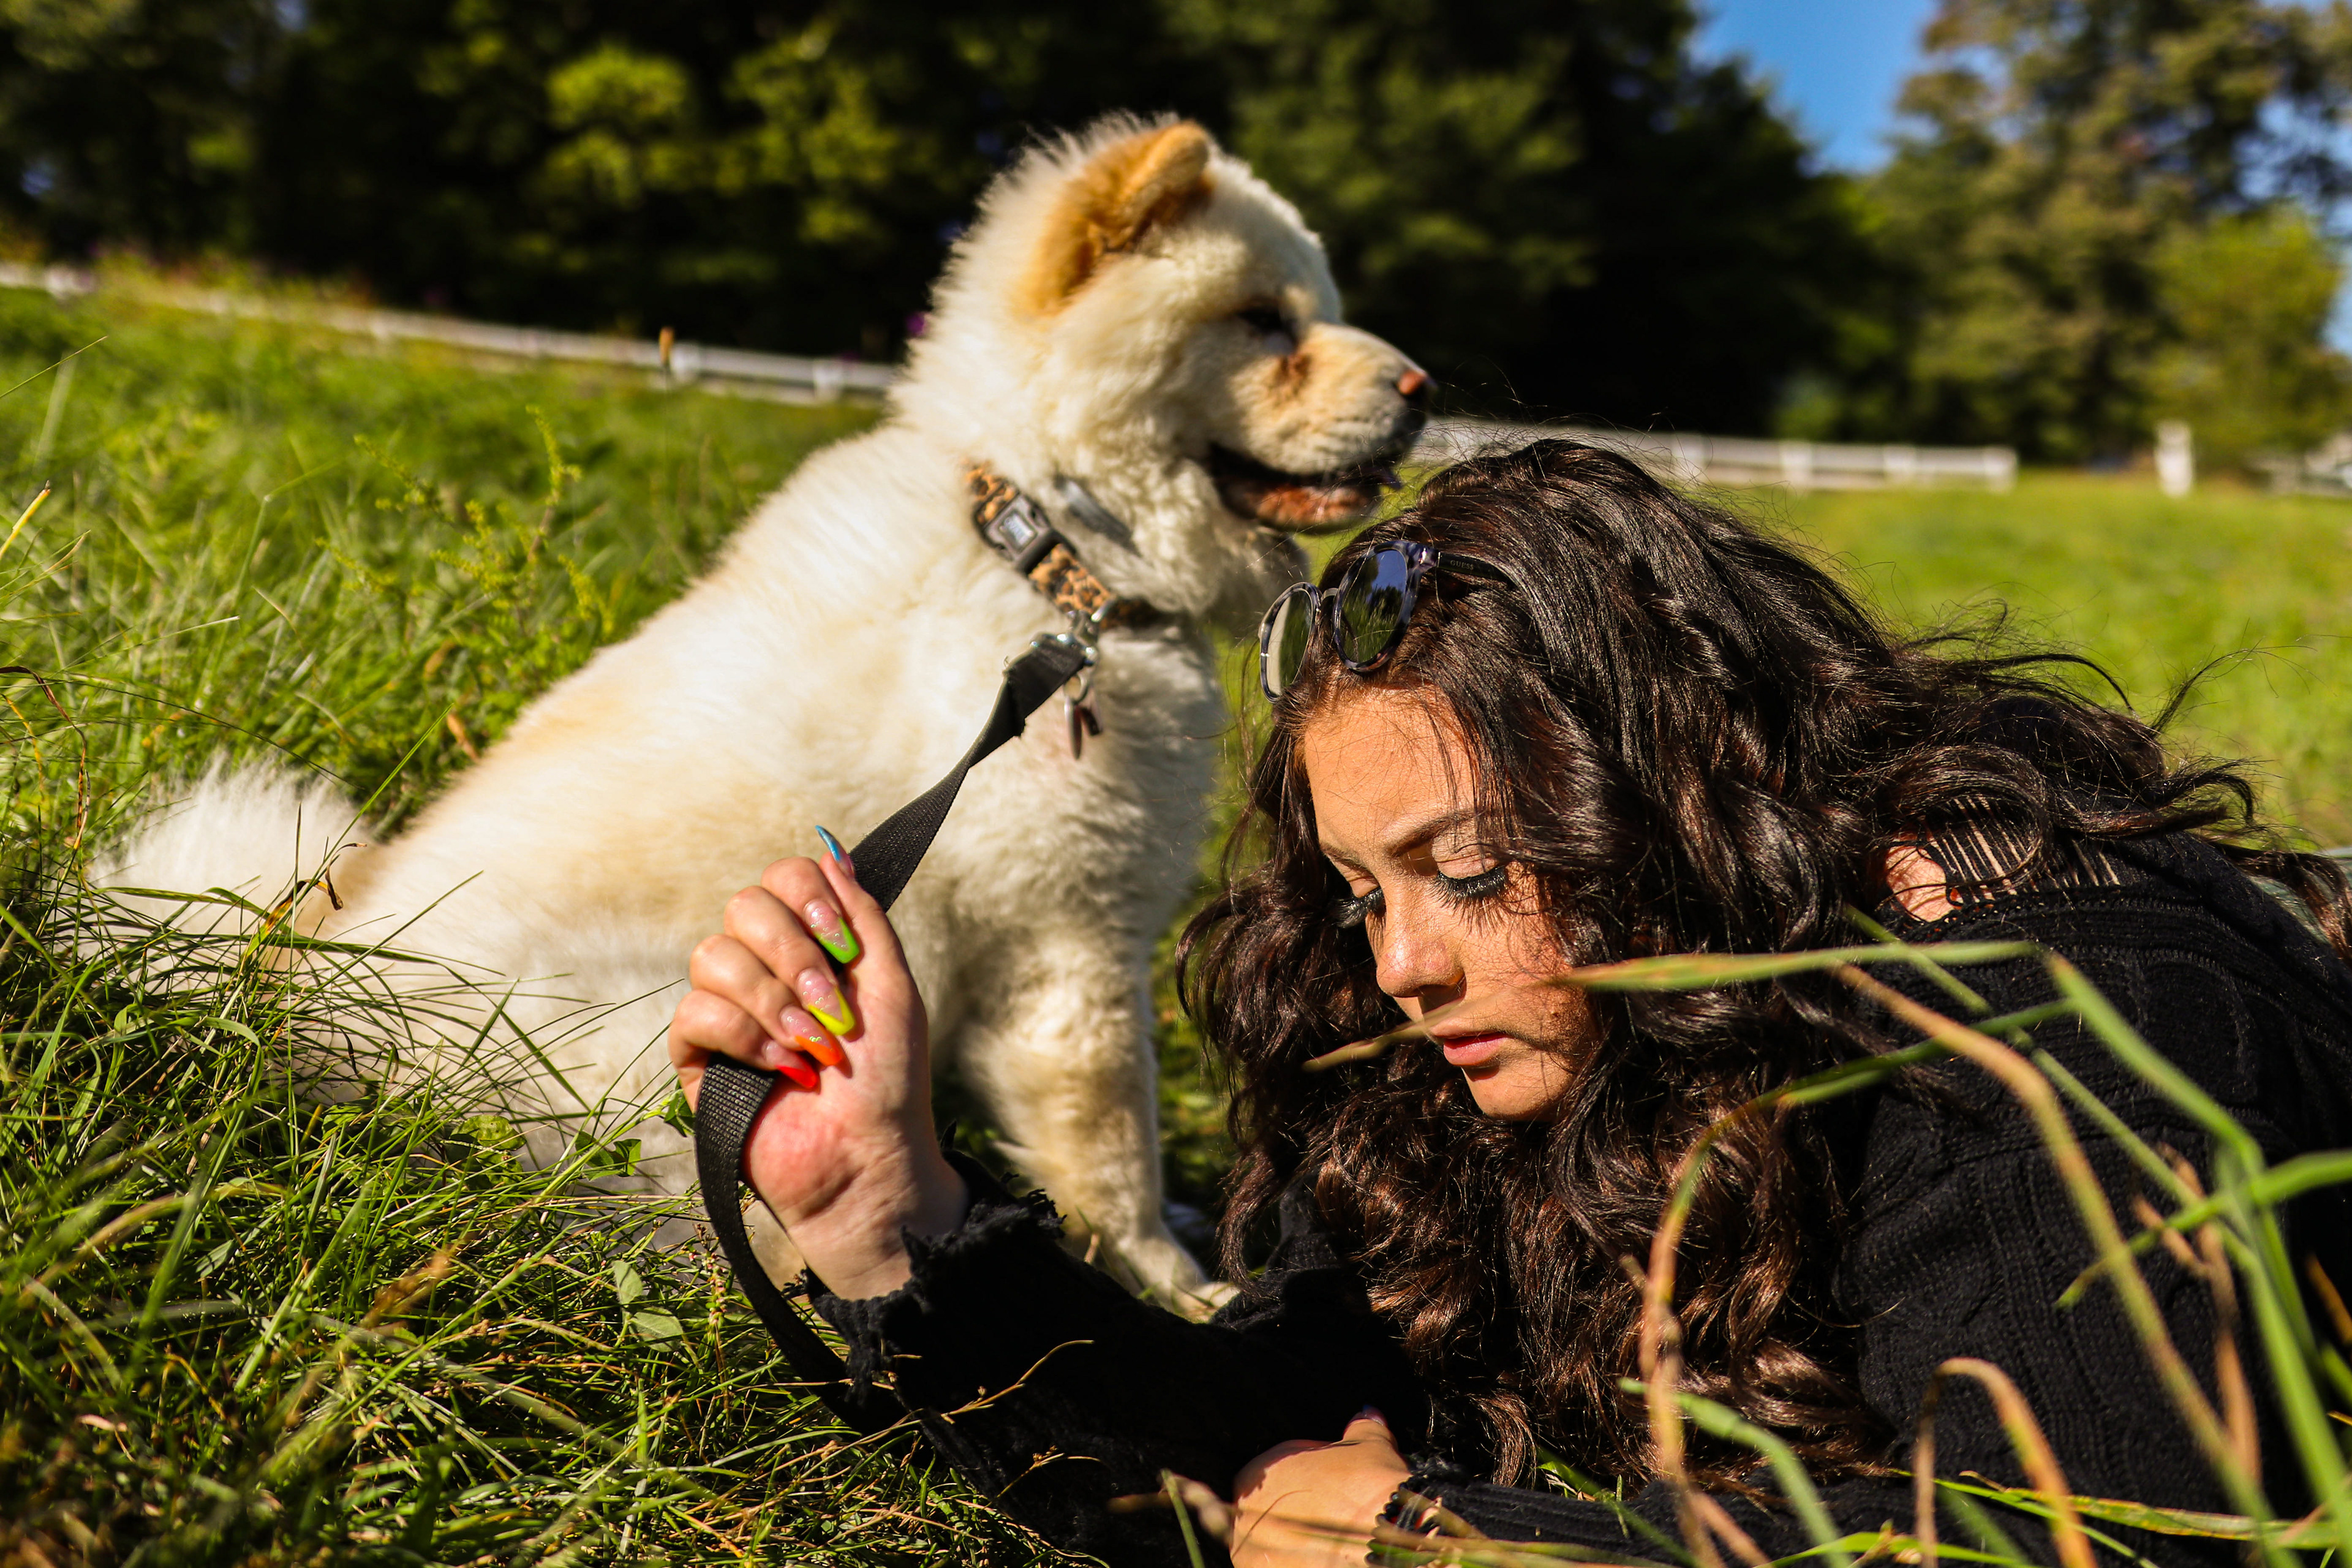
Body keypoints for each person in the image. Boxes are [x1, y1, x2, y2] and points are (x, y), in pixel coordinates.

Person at [666, 440, 2352, 1568]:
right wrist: (901, 1221)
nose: (1400, 963)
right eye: (1360, 888)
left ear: (1670, 804)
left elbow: (2116, 1526)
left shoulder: (2034, 986)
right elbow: (1277, 1453)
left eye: (1471, 866)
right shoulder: (1492, 1058)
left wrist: (1456, 1542)